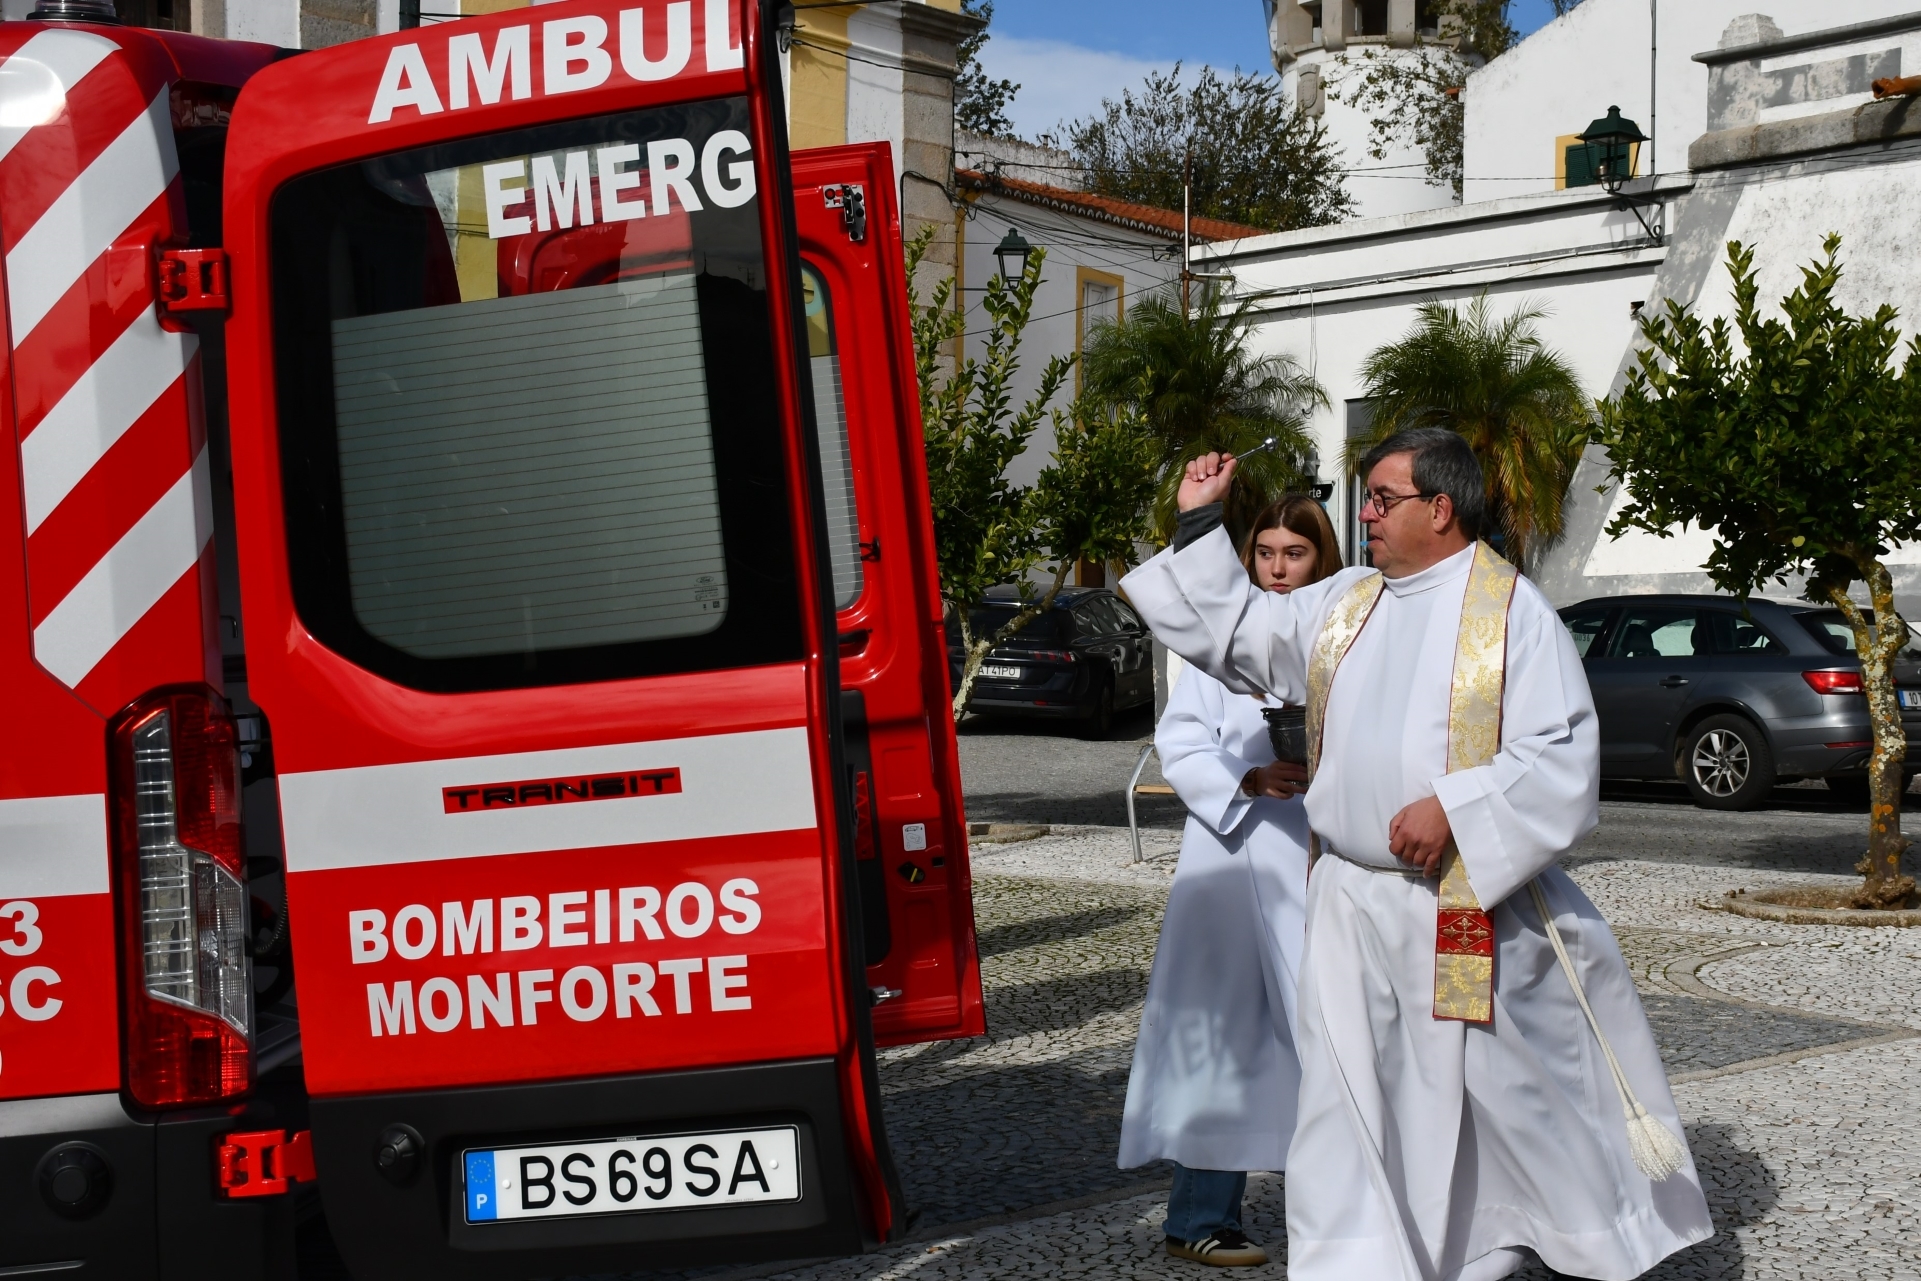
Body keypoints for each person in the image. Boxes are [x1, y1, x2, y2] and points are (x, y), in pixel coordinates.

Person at [1121, 429, 1713, 1281]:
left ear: (1440, 507)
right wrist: (1197, 524)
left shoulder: (1511, 613)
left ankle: (1514, 1243)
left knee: (1494, 1104)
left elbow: (1562, 759)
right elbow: (1239, 631)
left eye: (1380, 498)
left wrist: (1458, 809)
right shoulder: (1347, 601)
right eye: (1363, 496)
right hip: (1348, 900)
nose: (1361, 513)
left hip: (1458, 904)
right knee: (1344, 1098)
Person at [1120, 495, 1343, 1269]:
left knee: (1331, 1039)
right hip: (1232, 855)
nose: (1278, 570)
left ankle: (1341, 1205)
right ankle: (1199, 1214)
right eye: (1265, 553)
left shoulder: (1345, 632)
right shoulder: (1222, 646)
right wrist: (1246, 777)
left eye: (1296, 554)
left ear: (1323, 560)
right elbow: (1180, 740)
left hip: (1324, 862)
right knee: (1223, 1041)